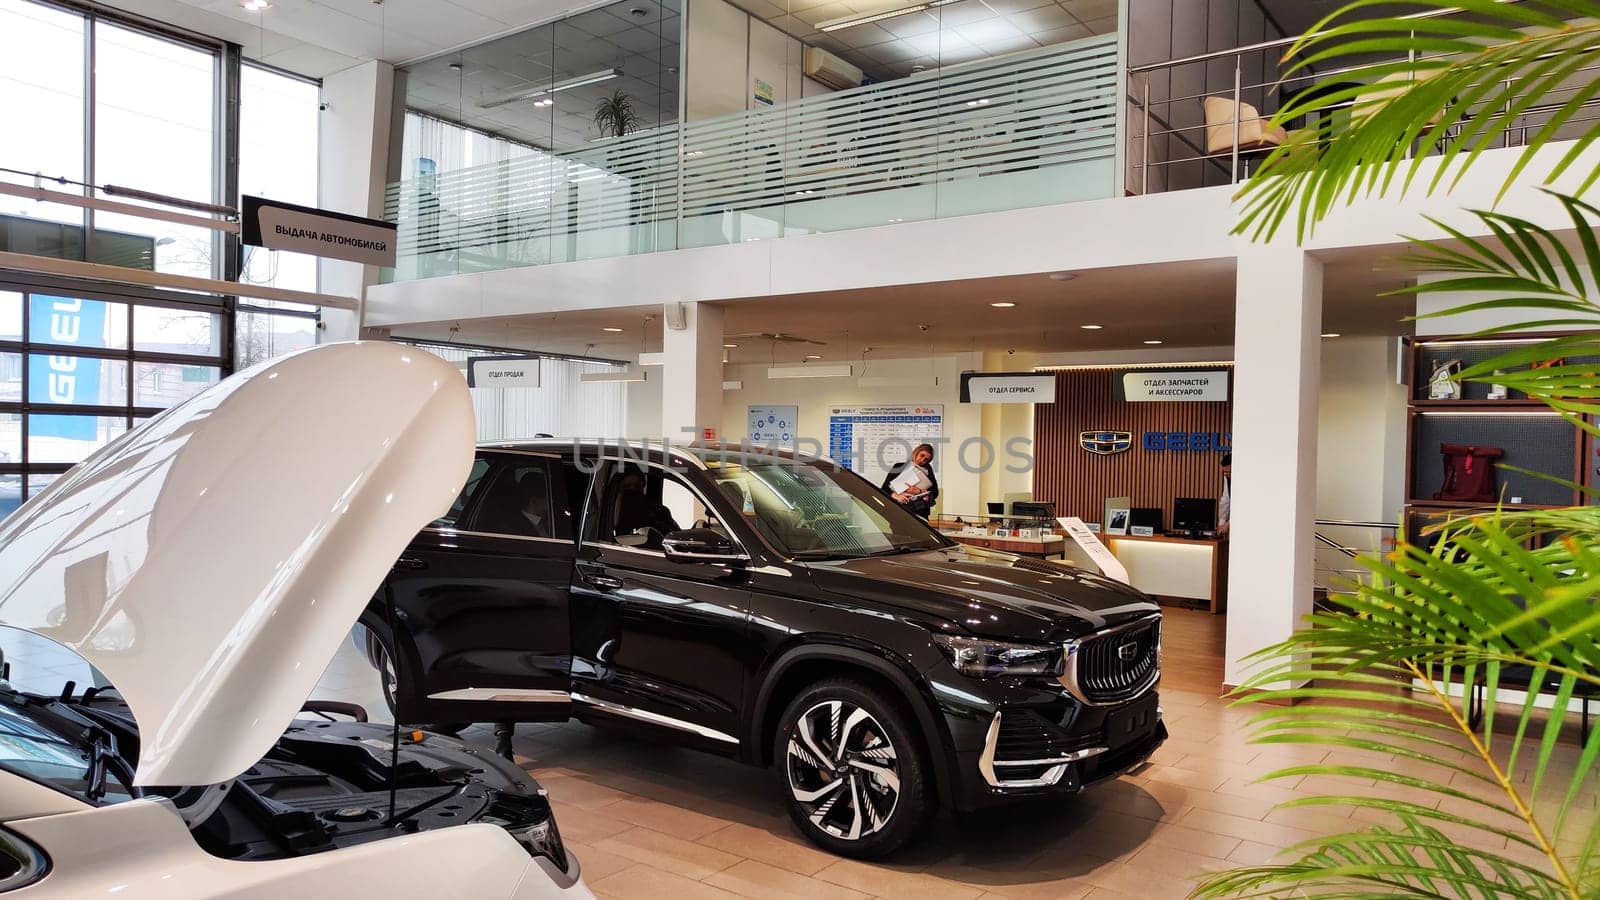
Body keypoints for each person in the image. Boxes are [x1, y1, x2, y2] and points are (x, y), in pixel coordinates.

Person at [881, 443, 939, 519]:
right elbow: (884, 488)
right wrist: (897, 496)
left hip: (920, 512)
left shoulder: (928, 471)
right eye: (922, 455)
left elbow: (935, 493)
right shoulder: (899, 466)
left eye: (926, 459)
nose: (922, 460)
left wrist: (919, 491)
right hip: (899, 509)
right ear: (916, 452)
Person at [1217, 452, 1232, 538]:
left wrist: (1228, 524)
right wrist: (1222, 522)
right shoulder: (1227, 477)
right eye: (1224, 472)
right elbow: (1226, 499)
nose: (1226, 474)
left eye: (1228, 472)